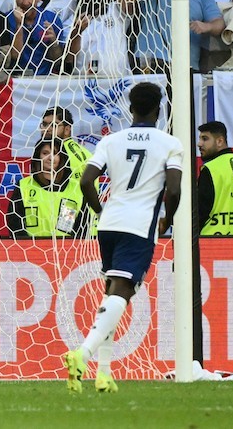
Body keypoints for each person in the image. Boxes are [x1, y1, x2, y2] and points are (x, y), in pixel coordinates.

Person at [67, 82, 182, 394]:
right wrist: (167, 219)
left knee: (111, 294)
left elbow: (87, 180)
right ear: (159, 111)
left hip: (109, 223)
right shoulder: (170, 143)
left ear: (130, 108)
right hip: (139, 224)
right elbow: (173, 190)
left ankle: (104, 374)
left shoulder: (111, 140)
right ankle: (83, 354)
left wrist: (99, 210)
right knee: (123, 292)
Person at [7, 138, 86, 238]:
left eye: (55, 153)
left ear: (62, 157)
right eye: (45, 153)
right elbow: (14, 224)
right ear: (38, 156)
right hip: (30, 249)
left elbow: (83, 226)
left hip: (67, 250)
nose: (50, 158)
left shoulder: (76, 188)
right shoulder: (24, 186)